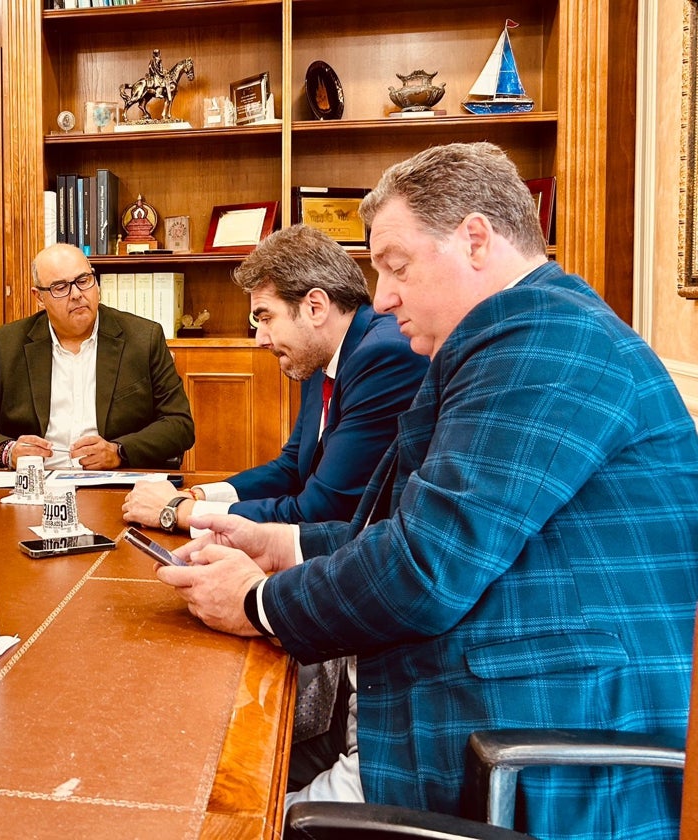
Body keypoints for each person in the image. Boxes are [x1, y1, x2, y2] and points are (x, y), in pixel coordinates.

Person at [156, 143, 698, 840]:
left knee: (209, 814)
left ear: (474, 238)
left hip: (528, 749)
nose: (380, 297)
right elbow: (409, 530)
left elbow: (423, 568)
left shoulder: (541, 342)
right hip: (476, 707)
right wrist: (280, 545)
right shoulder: (517, 335)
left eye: (395, 266)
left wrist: (255, 603)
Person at [121, 224, 427, 535]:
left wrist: (180, 512)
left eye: (266, 317)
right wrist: (198, 495)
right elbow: (292, 467)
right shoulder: (319, 351)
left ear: (315, 307)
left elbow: (319, 511)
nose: (260, 339)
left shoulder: (384, 357)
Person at [0, 242, 194, 470]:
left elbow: (179, 425)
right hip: (34, 486)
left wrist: (119, 451)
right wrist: (7, 451)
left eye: (83, 280)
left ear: (95, 282)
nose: (76, 294)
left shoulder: (143, 338)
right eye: (60, 287)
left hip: (114, 483)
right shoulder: (7, 344)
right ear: (39, 298)